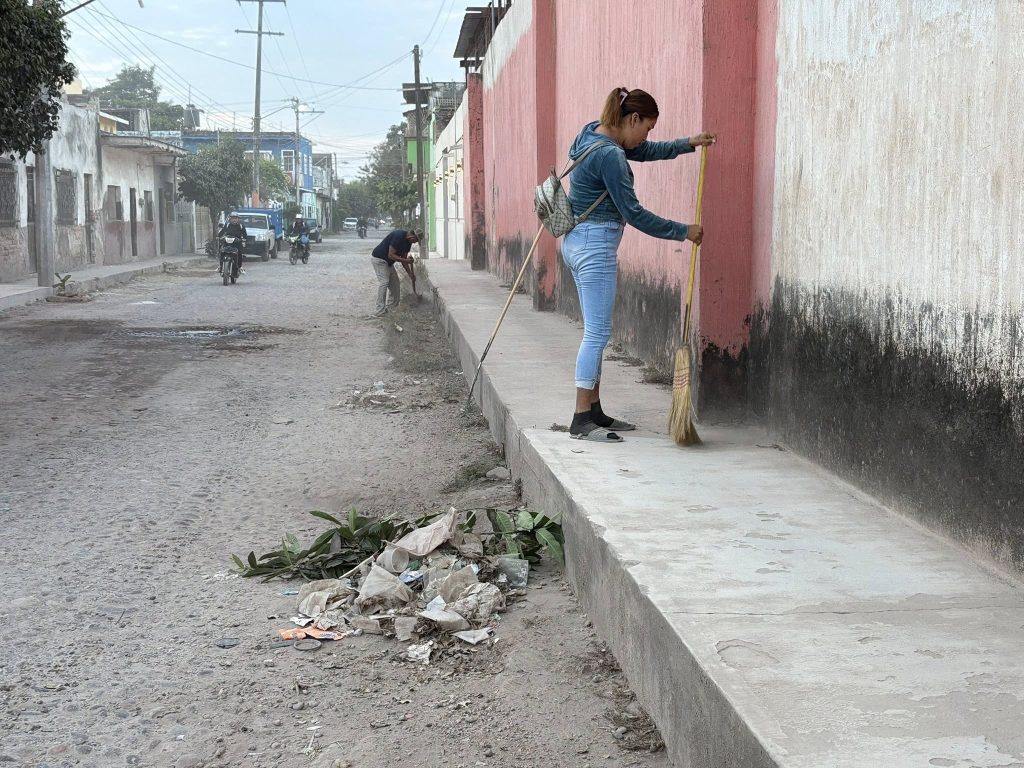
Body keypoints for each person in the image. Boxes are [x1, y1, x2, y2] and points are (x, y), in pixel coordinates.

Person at [561, 87, 715, 443]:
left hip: (577, 240)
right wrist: (684, 232)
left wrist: (687, 143)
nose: (647, 136)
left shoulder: (592, 132)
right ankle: (581, 418)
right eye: (646, 128)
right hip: (595, 246)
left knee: (595, 331)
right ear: (632, 119)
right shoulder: (611, 158)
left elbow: (641, 150)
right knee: (597, 334)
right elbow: (634, 213)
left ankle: (594, 409)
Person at [370, 228, 421, 317]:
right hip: (379, 259)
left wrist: (410, 274)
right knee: (384, 282)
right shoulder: (398, 236)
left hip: (388, 262)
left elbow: (404, 261)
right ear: (412, 236)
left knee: (395, 284)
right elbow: (391, 254)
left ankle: (391, 309)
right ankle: (379, 310)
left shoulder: (408, 243)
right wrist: (406, 260)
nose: (415, 242)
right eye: (416, 240)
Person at [217, 213, 247, 277]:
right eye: (233, 218)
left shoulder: (241, 226)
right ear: (230, 219)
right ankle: (220, 266)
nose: (234, 220)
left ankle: (240, 267)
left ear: (238, 219)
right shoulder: (227, 225)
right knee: (222, 252)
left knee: (240, 253)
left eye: (235, 218)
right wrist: (218, 236)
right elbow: (222, 232)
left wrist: (244, 239)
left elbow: (245, 235)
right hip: (227, 242)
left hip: (237, 243)